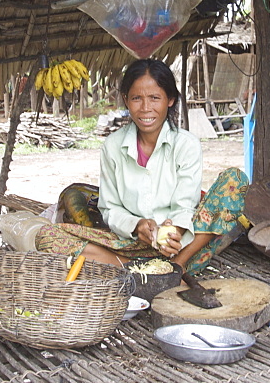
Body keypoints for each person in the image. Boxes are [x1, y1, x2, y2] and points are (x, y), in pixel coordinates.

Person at [34, 58, 249, 276]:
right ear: (126, 100)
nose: (146, 108)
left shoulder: (186, 144)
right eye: (137, 98)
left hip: (181, 245)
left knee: (235, 180)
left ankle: (176, 269)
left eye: (155, 98)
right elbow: (110, 209)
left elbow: (185, 205)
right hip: (130, 246)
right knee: (47, 236)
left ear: (170, 100)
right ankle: (136, 270)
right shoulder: (113, 146)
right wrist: (137, 226)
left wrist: (172, 231)